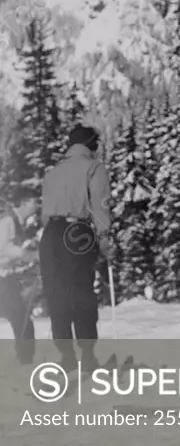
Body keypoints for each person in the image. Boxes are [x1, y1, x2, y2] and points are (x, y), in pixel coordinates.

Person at [40, 125, 112, 371]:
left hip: (50, 235)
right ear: (90, 144)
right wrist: (104, 237)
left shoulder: (53, 172)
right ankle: (88, 355)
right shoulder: (94, 167)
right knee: (81, 291)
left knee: (56, 293)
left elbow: (44, 212)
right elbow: (100, 205)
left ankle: (66, 354)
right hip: (77, 232)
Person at [0, 193, 40, 363]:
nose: (37, 205)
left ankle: (25, 358)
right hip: (3, 279)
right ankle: (25, 360)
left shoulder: (16, 222)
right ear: (23, 202)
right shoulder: (8, 220)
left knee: (21, 319)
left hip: (7, 278)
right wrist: (28, 255)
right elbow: (3, 247)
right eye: (34, 201)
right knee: (21, 319)